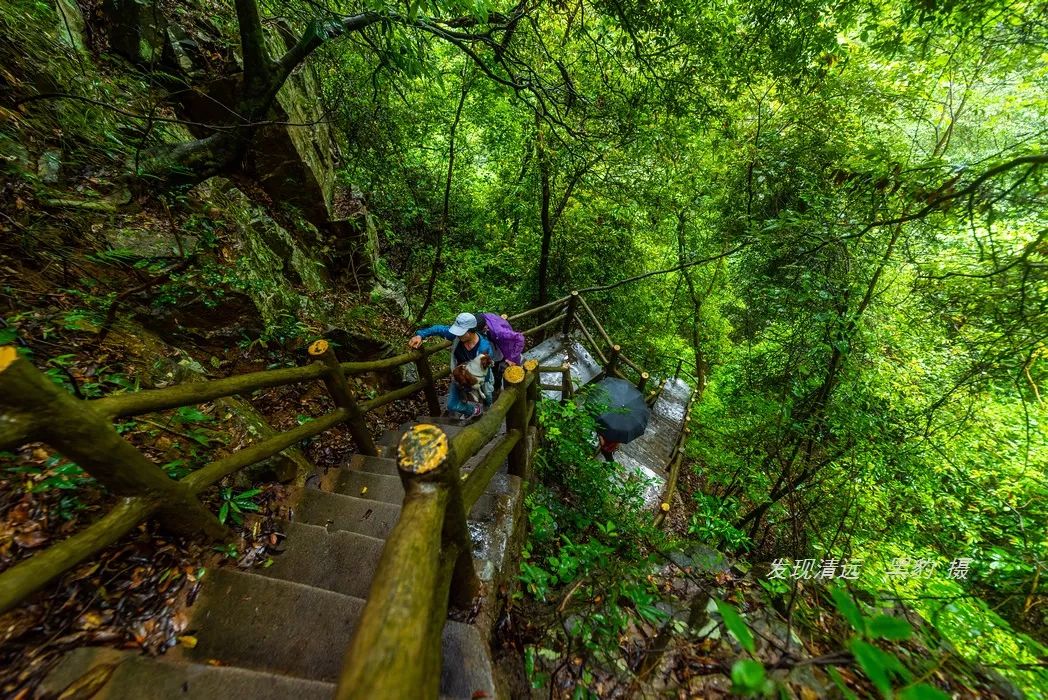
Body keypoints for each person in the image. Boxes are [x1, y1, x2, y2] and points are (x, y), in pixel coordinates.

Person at [409, 312, 495, 418]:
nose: (458, 335)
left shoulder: (484, 348)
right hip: (459, 376)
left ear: (471, 331)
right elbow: (438, 329)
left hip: (480, 379)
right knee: (452, 405)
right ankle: (474, 410)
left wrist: (469, 385)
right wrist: (420, 335)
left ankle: (488, 413)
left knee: (487, 398)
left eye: (462, 332)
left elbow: (485, 373)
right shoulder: (457, 337)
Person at [473, 312, 525, 393]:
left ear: (485, 327)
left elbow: (520, 338)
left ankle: (503, 390)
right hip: (494, 350)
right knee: (495, 370)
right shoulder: (481, 317)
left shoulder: (500, 332)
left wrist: (511, 357)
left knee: (504, 372)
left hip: (502, 351)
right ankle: (496, 387)